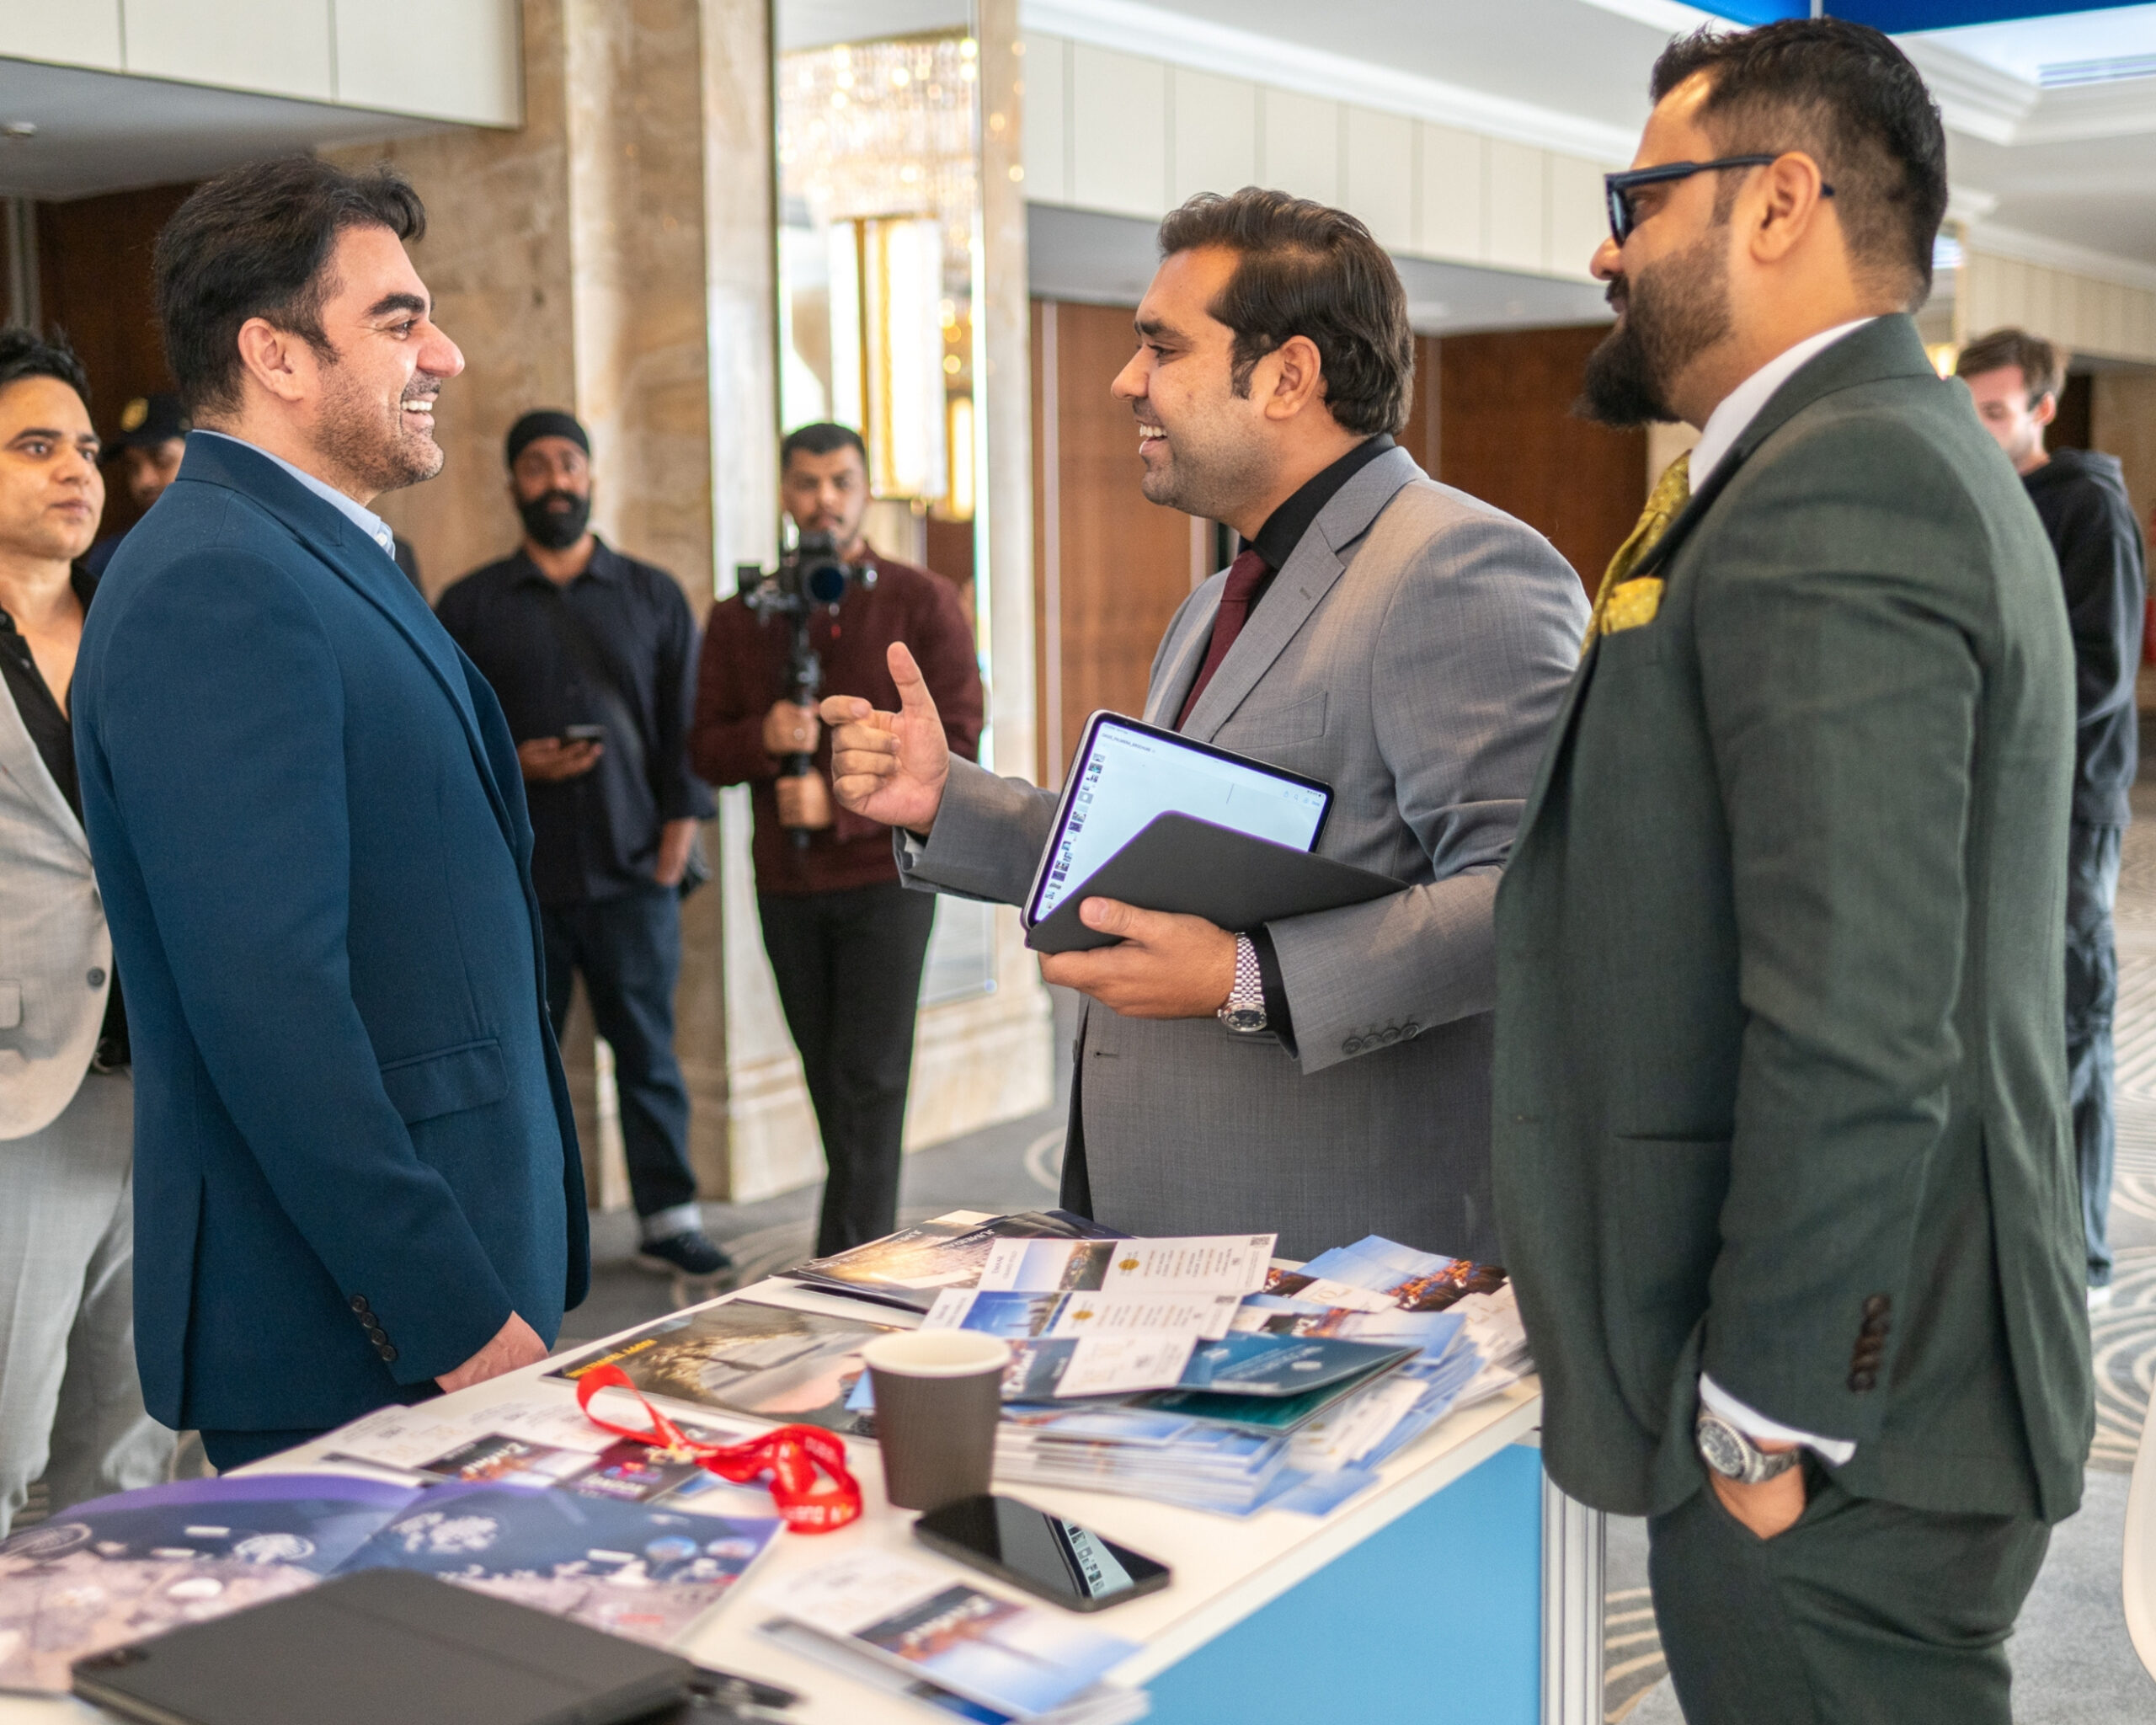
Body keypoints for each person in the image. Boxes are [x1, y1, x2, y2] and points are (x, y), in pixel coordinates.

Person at [1492, 21, 2091, 1723]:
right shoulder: (1827, 457)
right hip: (1864, 1387)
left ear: (1777, 203)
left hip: (1849, 1420)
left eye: (1634, 200)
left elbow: (1860, 1011)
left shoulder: (1847, 479)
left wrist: (1770, 1412)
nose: (1604, 251)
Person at [822, 190, 1587, 1263]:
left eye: (1162, 347)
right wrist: (950, 800)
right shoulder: (1217, 598)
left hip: (1338, 1247)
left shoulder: (1454, 565)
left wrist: (1247, 974)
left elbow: (1536, 892)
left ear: (1287, 377)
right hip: (1170, 1216)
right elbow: (1159, 854)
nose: (1125, 380)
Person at [73, 158, 588, 1473]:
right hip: (354, 1330)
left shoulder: (313, 548)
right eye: (400, 322)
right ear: (277, 356)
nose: (445, 355)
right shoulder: (213, 582)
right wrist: (445, 1306)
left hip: (440, 1281)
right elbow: (269, 1004)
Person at [436, 409, 728, 1279]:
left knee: (648, 1055)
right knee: (523, 1064)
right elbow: (447, 737)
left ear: (592, 477)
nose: (555, 480)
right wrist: (518, 761)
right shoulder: (470, 605)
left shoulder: (653, 595)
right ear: (512, 484)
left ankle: (669, 1217)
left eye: (569, 463)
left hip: (637, 872)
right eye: (536, 466)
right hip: (519, 884)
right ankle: (531, 1223)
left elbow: (688, 734)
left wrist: (674, 850)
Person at [691, 423, 983, 1255]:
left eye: (841, 481)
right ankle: (855, 1246)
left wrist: (845, 807)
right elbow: (702, 749)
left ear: (865, 492)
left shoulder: (921, 600)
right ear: (785, 492)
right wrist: (763, 738)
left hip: (888, 879)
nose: (824, 499)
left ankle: (848, 1259)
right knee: (828, 1077)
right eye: (807, 482)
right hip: (785, 883)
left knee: (870, 1080)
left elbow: (960, 742)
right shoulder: (740, 615)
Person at [0, 330, 171, 1538]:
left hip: (160, 1080)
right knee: (6, 1434)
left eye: (85, 447)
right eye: (34, 445)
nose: (76, 470)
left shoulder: (143, 627)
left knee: (134, 1433)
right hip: (16, 1090)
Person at [1957, 327, 2146, 1311]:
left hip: (2070, 804)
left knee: (2072, 1016)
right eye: (1968, 412)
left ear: (2041, 408)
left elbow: (2098, 675)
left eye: (1996, 412)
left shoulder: (2089, 508)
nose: (1980, 430)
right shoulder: (1981, 496)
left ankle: (2082, 1259)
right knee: (2005, 1019)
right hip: (1994, 798)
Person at [82, 393, 188, 579]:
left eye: (162, 460)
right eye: (133, 467)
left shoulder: (234, 542)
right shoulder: (112, 559)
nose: (145, 480)